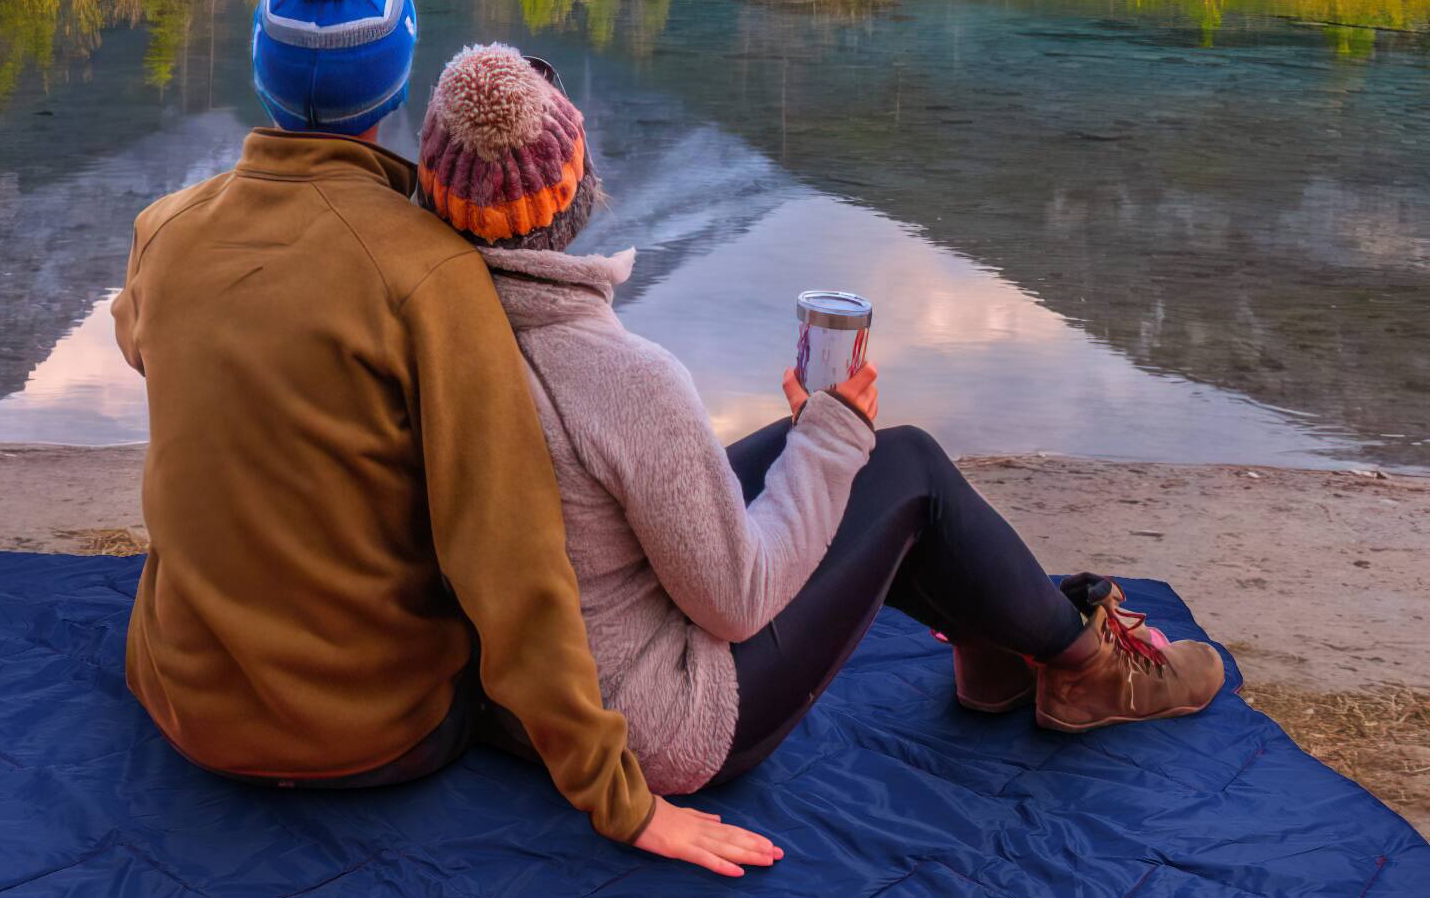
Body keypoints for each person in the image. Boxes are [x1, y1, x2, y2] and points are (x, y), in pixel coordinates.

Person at [112, 0, 780, 877]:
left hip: (182, 701)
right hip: (375, 736)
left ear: (259, 66)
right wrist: (621, 802)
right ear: (395, 93)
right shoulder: (428, 275)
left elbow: (138, 342)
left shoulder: (164, 235)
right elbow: (508, 558)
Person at [414, 42, 1227, 798]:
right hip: (644, 722)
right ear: (576, 185)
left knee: (819, 456)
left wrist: (814, 446)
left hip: (520, 682)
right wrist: (831, 436)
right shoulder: (621, 377)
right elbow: (736, 602)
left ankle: (1001, 644)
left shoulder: (424, 316)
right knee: (897, 465)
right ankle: (1085, 669)